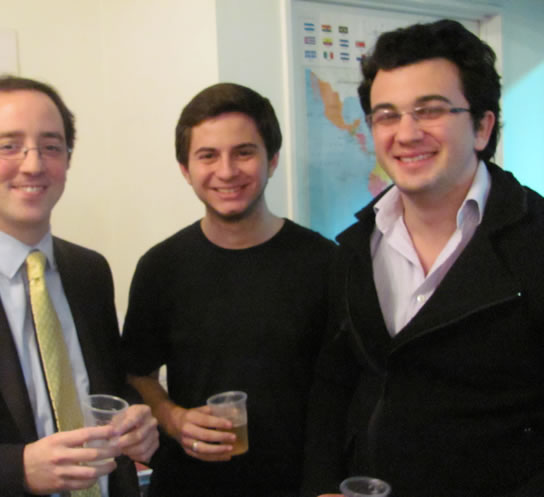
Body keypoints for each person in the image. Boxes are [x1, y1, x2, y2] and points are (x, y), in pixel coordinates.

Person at [301, 19, 544, 497]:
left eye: (429, 111)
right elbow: (334, 385)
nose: (406, 133)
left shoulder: (535, 240)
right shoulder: (355, 246)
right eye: (386, 115)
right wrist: (322, 486)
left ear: (482, 127)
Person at [0, 75, 158, 497]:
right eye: (9, 146)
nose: (34, 164)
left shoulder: (90, 273)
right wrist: (17, 469)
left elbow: (107, 389)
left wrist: (136, 419)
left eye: (51, 147)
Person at [120, 83, 336, 497]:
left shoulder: (325, 263)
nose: (227, 171)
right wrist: (174, 419)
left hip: (297, 485)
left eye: (244, 152)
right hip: (187, 485)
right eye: (208, 155)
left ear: (272, 160)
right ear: (186, 170)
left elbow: (345, 390)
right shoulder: (161, 267)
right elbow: (137, 373)